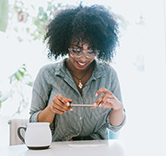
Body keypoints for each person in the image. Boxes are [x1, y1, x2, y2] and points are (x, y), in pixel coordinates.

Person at [29, 4, 126, 141]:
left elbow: (115, 126)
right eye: (76, 50)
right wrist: (51, 109)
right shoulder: (47, 74)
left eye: (91, 50)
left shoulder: (109, 74)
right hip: (58, 151)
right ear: (64, 45)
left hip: (98, 151)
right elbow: (34, 123)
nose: (83, 57)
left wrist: (117, 108)